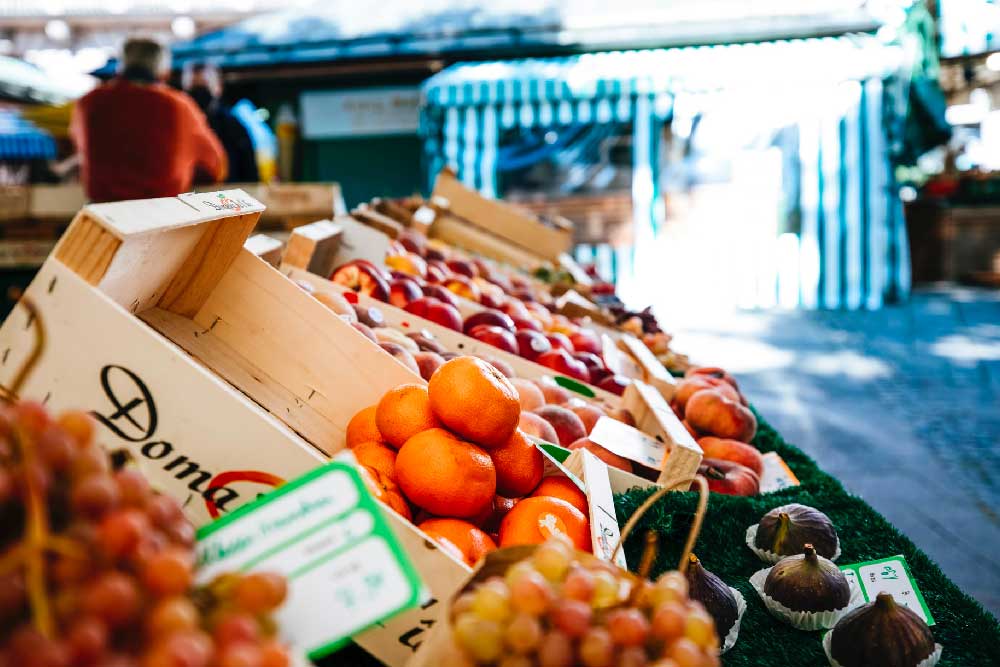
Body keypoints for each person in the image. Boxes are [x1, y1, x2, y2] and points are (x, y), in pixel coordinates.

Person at [71, 37, 226, 202]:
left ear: (120, 67)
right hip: (162, 215)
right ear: (164, 71)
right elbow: (216, 167)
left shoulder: (88, 103)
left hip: (103, 216)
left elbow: (79, 148)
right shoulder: (179, 106)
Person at [183, 63, 259, 183]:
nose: (199, 93)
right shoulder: (180, 125)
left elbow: (250, 172)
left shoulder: (233, 125)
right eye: (194, 87)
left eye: (205, 86)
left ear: (218, 88)